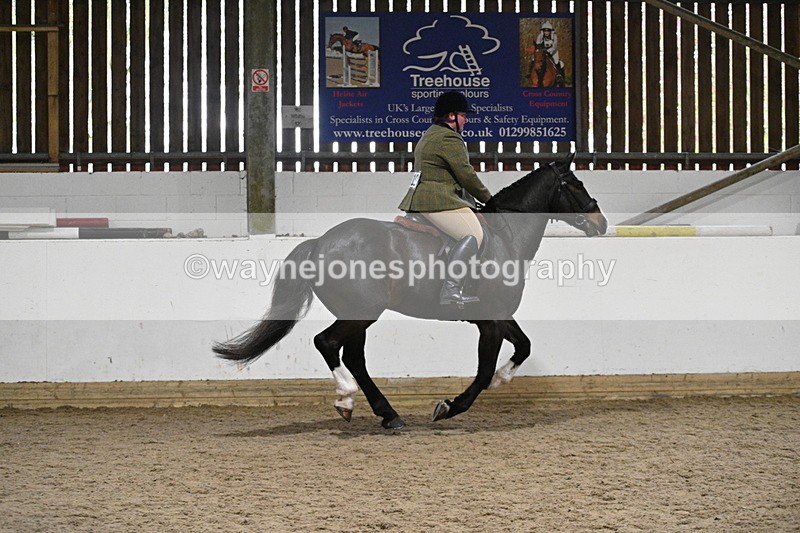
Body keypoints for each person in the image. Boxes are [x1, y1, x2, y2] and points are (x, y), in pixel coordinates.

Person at [398, 91, 492, 307]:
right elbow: (465, 174)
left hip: (422, 198)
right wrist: (489, 200)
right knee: (473, 234)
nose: (466, 120)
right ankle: (451, 290)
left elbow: (449, 175)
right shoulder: (449, 138)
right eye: (463, 115)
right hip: (437, 201)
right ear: (451, 116)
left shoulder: (430, 133)